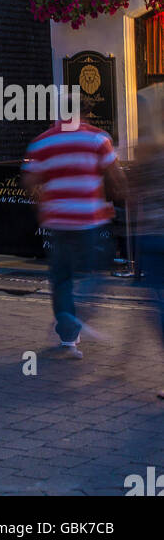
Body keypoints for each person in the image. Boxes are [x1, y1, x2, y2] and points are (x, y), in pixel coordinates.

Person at [21, 103, 125, 358]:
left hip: (57, 221)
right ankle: (78, 310)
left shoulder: (42, 142)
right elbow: (115, 176)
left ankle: (69, 335)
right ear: (84, 113)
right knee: (98, 270)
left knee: (61, 276)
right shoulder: (98, 139)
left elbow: (29, 181)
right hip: (89, 218)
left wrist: (42, 206)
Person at [127, 102, 164, 396]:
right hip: (153, 236)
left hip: (153, 236)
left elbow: (131, 196)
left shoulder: (148, 152)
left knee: (161, 306)